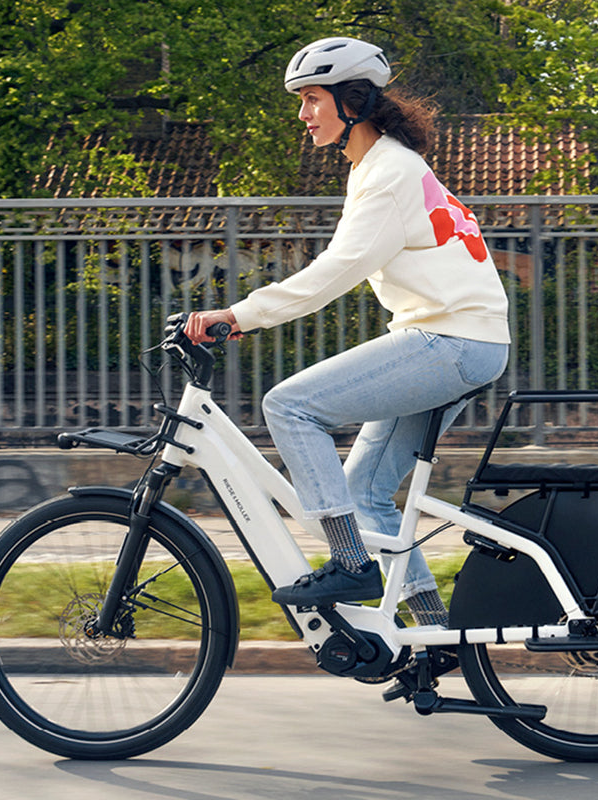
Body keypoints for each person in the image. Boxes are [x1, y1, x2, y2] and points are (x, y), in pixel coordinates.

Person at [183, 36, 510, 626]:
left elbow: (332, 274)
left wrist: (238, 315)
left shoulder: (387, 173)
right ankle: (433, 634)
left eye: (311, 99)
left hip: (450, 342)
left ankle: (349, 562)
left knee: (289, 406)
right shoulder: (383, 166)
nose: (302, 114)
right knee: (363, 492)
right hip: (462, 341)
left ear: (352, 100)